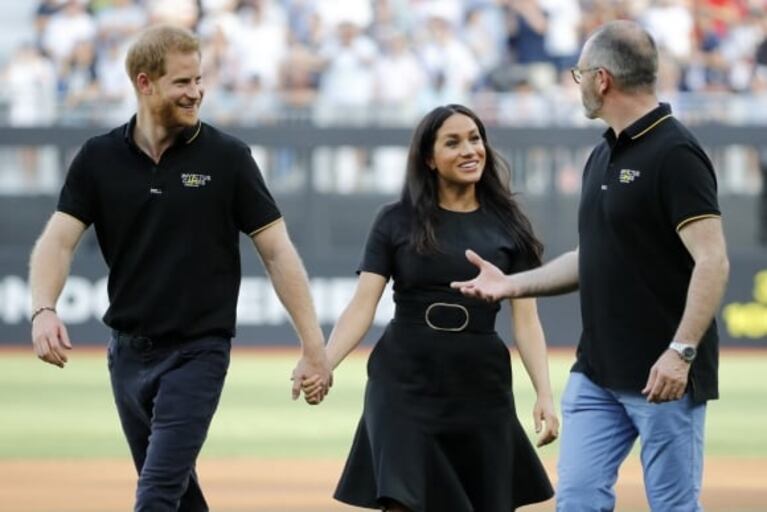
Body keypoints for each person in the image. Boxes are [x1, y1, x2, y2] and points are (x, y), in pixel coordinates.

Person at [28, 25, 331, 512]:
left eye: (199, 80)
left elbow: (277, 252)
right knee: (178, 495)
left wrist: (314, 347)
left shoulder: (228, 157)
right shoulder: (97, 157)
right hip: (126, 356)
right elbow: (57, 242)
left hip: (198, 353)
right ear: (145, 83)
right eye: (182, 83)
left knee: (156, 496)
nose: (196, 93)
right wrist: (43, 308)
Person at [452, 20, 730, 511]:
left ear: (602, 79)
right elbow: (592, 258)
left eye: (579, 74)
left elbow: (713, 260)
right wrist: (510, 285)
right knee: (577, 502)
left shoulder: (676, 153)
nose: (575, 84)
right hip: (597, 373)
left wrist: (681, 352)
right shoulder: (603, 153)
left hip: (663, 378)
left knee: (673, 508)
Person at [303, 104, 558, 511]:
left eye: (475, 139)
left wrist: (544, 394)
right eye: (453, 142)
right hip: (403, 383)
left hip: (480, 385)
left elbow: (526, 322)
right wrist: (325, 363)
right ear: (429, 158)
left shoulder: (510, 226)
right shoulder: (394, 221)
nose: (469, 150)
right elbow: (361, 306)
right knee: (401, 501)